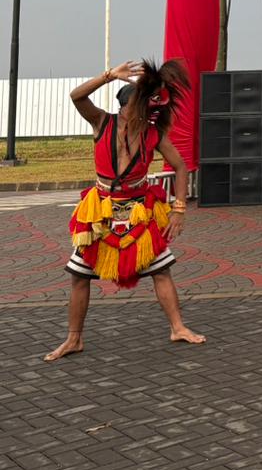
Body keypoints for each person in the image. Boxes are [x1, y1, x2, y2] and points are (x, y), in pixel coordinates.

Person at [46, 59, 205, 361]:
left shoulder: (153, 133)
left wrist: (179, 209)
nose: (146, 111)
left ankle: (178, 327)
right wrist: (108, 76)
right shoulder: (101, 122)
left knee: (161, 271)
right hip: (100, 213)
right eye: (141, 105)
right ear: (126, 106)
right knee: (79, 276)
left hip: (139, 212)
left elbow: (181, 167)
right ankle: (74, 338)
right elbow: (76, 96)